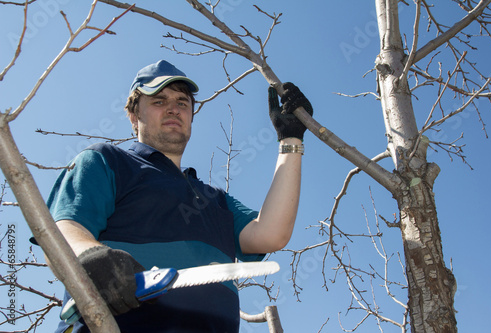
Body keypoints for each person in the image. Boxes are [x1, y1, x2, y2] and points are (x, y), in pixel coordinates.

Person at [44, 60, 313, 333]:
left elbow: (270, 234)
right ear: (134, 116)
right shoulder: (106, 160)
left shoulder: (215, 198)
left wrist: (290, 141)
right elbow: (64, 229)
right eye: (159, 101)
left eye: (183, 103)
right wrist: (91, 257)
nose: (174, 108)